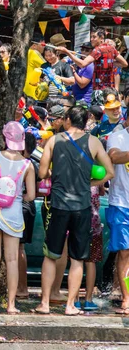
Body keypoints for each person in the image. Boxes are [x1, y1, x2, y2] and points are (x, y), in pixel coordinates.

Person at [35, 106, 114, 315]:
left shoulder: (54, 140)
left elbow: (42, 172)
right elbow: (110, 172)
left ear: (68, 119)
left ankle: (44, 303)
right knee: (77, 258)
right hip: (82, 207)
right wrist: (92, 183)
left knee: (51, 255)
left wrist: (55, 174)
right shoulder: (94, 142)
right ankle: (70, 305)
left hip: (59, 205)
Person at [0, 122, 36, 314]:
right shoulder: (27, 165)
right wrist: (17, 196)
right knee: (12, 260)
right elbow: (30, 195)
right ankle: (11, 304)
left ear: (5, 138)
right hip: (13, 215)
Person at [58, 28, 128, 94]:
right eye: (91, 37)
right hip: (110, 90)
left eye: (94, 37)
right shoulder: (111, 48)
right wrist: (106, 62)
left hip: (99, 91)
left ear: (101, 38)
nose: (91, 39)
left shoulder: (97, 50)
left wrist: (67, 52)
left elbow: (82, 64)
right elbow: (124, 64)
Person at [106, 121, 129, 314]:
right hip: (121, 203)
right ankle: (126, 298)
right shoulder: (118, 137)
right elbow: (113, 156)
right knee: (124, 252)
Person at [17, 133, 39, 299]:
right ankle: (20, 287)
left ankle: (22, 288)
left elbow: (31, 194)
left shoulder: (24, 164)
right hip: (27, 208)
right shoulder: (31, 164)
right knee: (18, 248)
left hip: (22, 207)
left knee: (18, 248)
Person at [24, 35, 46, 100]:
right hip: (32, 91)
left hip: (24, 90)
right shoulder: (33, 52)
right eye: (42, 45)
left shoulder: (24, 53)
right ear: (34, 45)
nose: (44, 47)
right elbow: (47, 67)